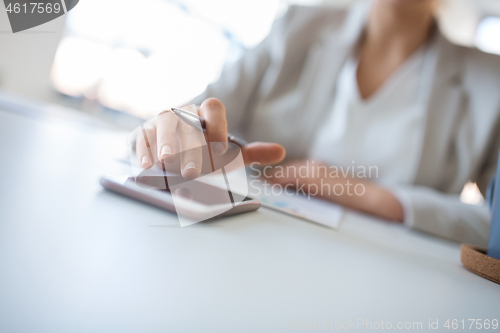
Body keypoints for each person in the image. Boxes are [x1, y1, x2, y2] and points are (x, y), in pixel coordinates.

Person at [136, 0, 500, 246]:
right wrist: (177, 134)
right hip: (251, 240)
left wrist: (370, 196)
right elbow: (198, 115)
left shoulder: (490, 83)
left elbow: (494, 225)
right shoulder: (298, 25)